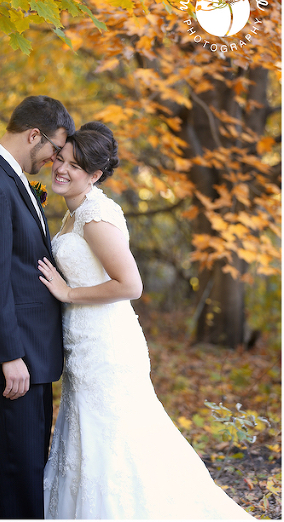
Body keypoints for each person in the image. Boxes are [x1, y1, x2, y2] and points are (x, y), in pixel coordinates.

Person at [39, 123, 254, 519]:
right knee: (91, 436)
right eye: (61, 159)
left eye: (74, 166)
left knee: (116, 440)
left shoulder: (94, 216)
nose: (61, 169)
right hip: (84, 342)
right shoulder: (75, 212)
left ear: (95, 175)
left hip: (105, 347)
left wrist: (68, 294)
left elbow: (131, 285)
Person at [0, 96, 75, 518]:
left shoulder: (9, 179)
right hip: (12, 361)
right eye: (54, 149)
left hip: (30, 356)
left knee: (28, 478)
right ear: (34, 135)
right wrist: (9, 356)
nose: (55, 159)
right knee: (16, 484)